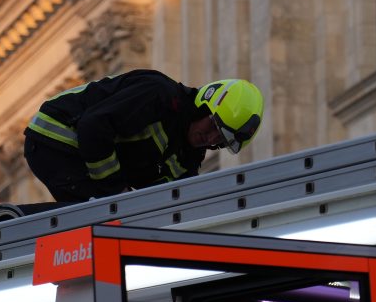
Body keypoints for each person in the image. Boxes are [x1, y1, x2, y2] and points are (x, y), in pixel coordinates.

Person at [23, 69, 264, 202]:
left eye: (220, 139)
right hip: (56, 136)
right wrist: (117, 190)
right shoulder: (158, 95)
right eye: (213, 126)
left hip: (78, 157)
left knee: (101, 219)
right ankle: (12, 223)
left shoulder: (186, 159)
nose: (211, 139)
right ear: (205, 105)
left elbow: (171, 200)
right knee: (97, 216)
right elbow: (93, 127)